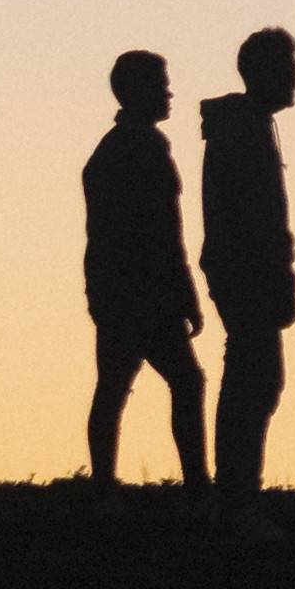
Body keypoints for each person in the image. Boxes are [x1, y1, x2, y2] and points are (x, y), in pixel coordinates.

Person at [78, 51, 207, 485]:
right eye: (160, 83)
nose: (169, 92)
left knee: (114, 386)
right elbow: (163, 231)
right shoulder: (140, 149)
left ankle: (104, 484)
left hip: (117, 289)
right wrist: (183, 292)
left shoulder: (115, 149)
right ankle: (195, 483)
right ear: (137, 91)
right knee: (184, 382)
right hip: (142, 290)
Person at [195, 26, 295, 494]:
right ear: (262, 73)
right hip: (247, 271)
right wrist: (275, 273)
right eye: (289, 70)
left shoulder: (246, 125)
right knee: (255, 378)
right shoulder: (244, 131)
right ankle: (237, 494)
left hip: (243, 268)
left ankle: (237, 488)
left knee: (254, 375)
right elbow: (252, 215)